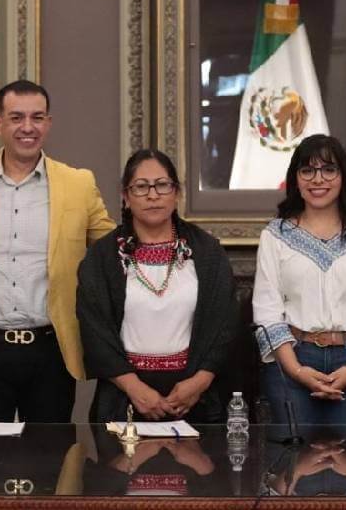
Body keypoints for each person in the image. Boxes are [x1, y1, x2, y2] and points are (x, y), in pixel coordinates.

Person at [0, 80, 115, 422]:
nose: (28, 127)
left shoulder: (79, 184)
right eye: (16, 118)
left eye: (37, 117)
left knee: (51, 462)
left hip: (52, 349)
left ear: (49, 123)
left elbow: (114, 251)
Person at [76, 149, 237, 423]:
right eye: (141, 187)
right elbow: (95, 331)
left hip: (193, 400)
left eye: (162, 185)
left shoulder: (208, 253)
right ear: (126, 198)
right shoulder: (102, 258)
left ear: (177, 193)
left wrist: (199, 382)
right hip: (124, 400)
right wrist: (134, 388)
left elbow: (226, 325)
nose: (153, 195)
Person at [252, 134, 346, 425]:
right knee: (294, 464)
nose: (318, 179)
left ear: (343, 175)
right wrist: (297, 371)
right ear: (296, 179)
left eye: (328, 169)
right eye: (308, 170)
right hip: (293, 362)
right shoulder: (275, 234)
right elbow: (268, 313)